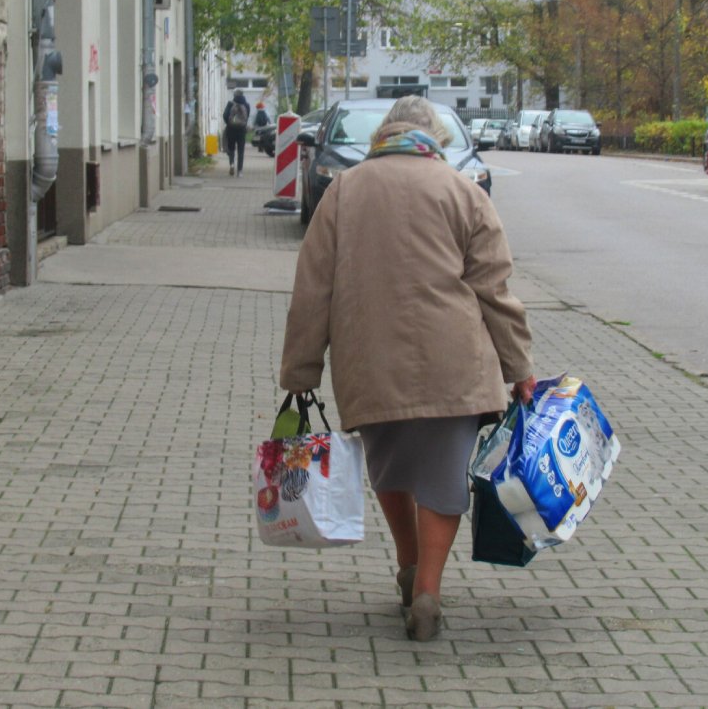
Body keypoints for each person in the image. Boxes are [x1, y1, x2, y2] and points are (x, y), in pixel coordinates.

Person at [279, 95, 535, 642]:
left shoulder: (344, 192)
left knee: (390, 469)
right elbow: (495, 290)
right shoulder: (463, 191)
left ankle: (407, 565)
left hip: (369, 361)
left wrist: (300, 373)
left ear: (383, 136)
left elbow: (313, 288)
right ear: (434, 139)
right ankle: (429, 594)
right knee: (444, 479)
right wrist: (520, 368)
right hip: (455, 363)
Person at [221, 90, 250, 176]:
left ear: (234, 95)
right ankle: (240, 171)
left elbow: (225, 115)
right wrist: (242, 124)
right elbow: (247, 117)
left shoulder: (230, 104)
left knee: (231, 149)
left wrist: (229, 123)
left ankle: (232, 164)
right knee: (241, 151)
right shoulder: (246, 105)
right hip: (241, 130)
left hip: (231, 130)